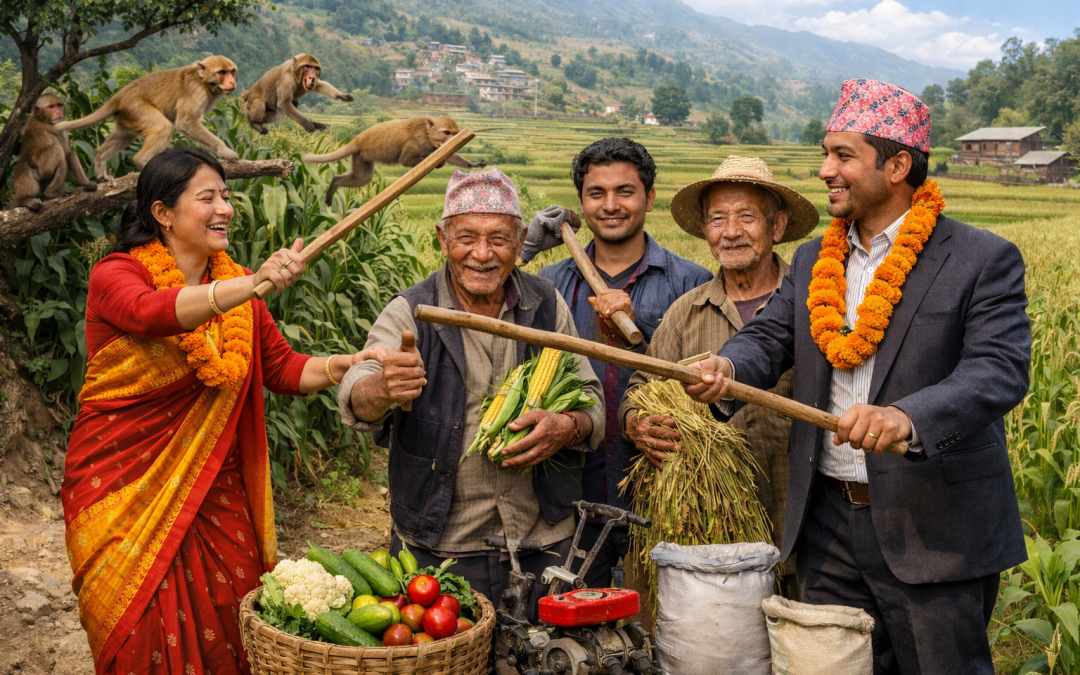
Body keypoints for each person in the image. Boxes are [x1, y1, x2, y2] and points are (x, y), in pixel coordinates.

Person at [687, 80, 1030, 673]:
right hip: (826, 527)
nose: (825, 170)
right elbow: (773, 336)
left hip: (934, 532)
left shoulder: (980, 258)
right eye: (826, 153)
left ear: (897, 165)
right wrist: (729, 364)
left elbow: (998, 369)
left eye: (843, 155)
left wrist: (907, 416)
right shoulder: (817, 256)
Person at [62, 147, 372, 675]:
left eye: (226, 196)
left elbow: (282, 369)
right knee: (137, 634)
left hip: (215, 490)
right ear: (162, 212)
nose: (225, 208)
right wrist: (250, 286)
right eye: (207, 198)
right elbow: (148, 313)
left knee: (232, 625)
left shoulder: (241, 287)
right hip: (120, 487)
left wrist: (348, 365)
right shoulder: (117, 275)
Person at [337, 168, 604, 621]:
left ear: (521, 242)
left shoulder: (546, 303)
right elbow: (356, 392)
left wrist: (569, 425)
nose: (481, 254)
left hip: (543, 540)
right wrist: (383, 387)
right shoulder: (411, 310)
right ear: (442, 239)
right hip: (441, 546)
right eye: (466, 238)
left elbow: (591, 399)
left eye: (499, 239)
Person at [618, 155, 819, 595]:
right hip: (707, 536)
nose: (731, 232)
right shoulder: (684, 314)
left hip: (799, 535)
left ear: (778, 226)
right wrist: (639, 425)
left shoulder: (816, 307)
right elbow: (639, 391)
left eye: (747, 216)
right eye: (717, 219)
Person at [524, 137, 712, 589]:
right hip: (568, 496)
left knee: (658, 626)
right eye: (596, 193)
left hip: (663, 489)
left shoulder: (692, 284)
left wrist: (634, 338)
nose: (611, 205)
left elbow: (704, 387)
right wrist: (517, 254)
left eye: (625, 192)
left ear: (649, 198)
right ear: (582, 203)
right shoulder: (547, 287)